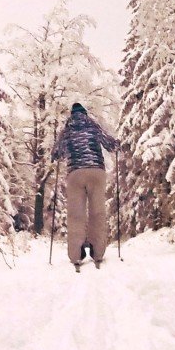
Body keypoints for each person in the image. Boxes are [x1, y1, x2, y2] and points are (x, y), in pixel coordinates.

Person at [53, 102, 122, 271]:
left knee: (76, 215)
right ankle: (97, 252)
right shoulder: (93, 126)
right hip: (96, 172)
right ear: (84, 113)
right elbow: (110, 144)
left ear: (72, 114)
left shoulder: (67, 131)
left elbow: (56, 153)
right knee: (97, 212)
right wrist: (118, 144)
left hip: (75, 174)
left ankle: (76, 255)